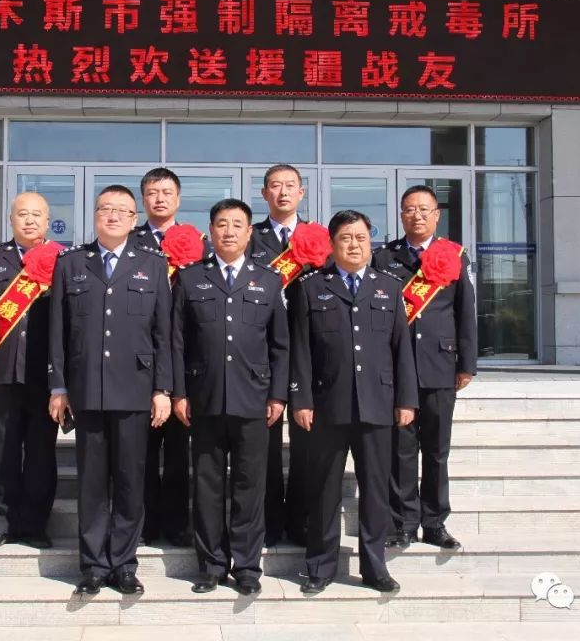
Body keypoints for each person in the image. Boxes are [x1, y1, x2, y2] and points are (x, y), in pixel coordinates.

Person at [48, 185, 173, 596]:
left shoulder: (153, 266)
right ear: (95, 215)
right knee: (92, 482)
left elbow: (163, 334)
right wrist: (59, 385)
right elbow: (58, 333)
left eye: (123, 211)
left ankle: (124, 563)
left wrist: (162, 389)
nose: (114, 216)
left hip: (135, 391)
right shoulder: (71, 263)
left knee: (129, 481)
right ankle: (93, 565)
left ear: (135, 219)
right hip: (87, 390)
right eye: (106, 209)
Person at [289, 210, 418, 594]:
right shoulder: (311, 287)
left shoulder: (389, 287)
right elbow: (300, 350)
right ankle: (320, 566)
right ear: (332, 244)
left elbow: (401, 350)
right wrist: (301, 399)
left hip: (378, 405)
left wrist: (406, 399)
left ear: (371, 242)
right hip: (327, 405)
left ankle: (375, 568)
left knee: (375, 490)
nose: (354, 244)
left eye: (362, 238)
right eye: (346, 237)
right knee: (324, 489)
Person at [171, 199, 289, 596]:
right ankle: (210, 565)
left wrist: (278, 395)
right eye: (222, 224)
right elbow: (177, 343)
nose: (229, 232)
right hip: (202, 399)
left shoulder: (268, 280)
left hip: (254, 400)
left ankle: (248, 566)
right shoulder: (189, 279)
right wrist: (180, 393)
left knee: (249, 485)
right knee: (206, 485)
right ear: (210, 230)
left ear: (249, 232)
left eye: (237, 224)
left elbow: (280, 347)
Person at [372, 184, 477, 551]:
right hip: (396, 367)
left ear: (437, 215)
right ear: (401, 215)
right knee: (400, 449)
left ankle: (435, 522)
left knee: (436, 449)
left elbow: (465, 311)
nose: (416, 215)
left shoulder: (453, 254)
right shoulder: (385, 257)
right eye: (409, 209)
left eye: (424, 209)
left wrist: (467, 363)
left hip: (439, 364)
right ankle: (402, 522)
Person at [0, 192, 58, 551]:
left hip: (44, 374)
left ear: (48, 221)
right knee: (1, 449)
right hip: (1, 371)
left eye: (37, 215)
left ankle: (35, 526)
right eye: (23, 214)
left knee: (40, 452)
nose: (30, 220)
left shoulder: (61, 261)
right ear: (11, 219)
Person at [130, 167, 203, 547]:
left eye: (167, 192)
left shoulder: (196, 241)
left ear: (178, 198)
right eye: (152, 192)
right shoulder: (130, 239)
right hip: (140, 355)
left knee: (178, 450)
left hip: (185, 355)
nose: (160, 198)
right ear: (143, 200)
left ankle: (176, 524)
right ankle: (144, 524)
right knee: (141, 451)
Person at [248, 164, 313, 547]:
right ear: (264, 193)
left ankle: (303, 521)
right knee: (265, 444)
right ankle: (269, 524)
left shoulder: (319, 238)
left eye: (290, 186)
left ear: (301, 193)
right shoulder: (251, 237)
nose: (283, 192)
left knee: (308, 441)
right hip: (261, 348)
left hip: (309, 347)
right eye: (275, 186)